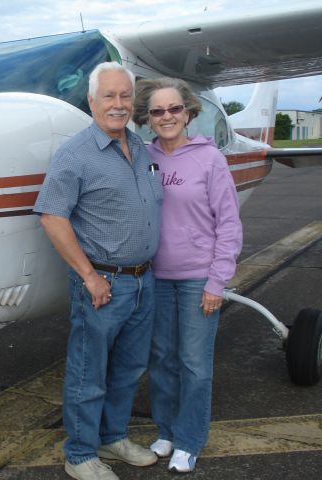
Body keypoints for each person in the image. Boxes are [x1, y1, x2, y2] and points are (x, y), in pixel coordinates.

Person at [34, 62, 162, 480]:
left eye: (125, 96)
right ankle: (81, 453)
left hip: (143, 280)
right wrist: (89, 276)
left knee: (128, 369)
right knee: (89, 373)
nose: (119, 104)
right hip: (103, 284)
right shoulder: (75, 154)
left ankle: (112, 436)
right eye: (109, 96)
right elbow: (52, 215)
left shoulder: (140, 146)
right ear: (91, 101)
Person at [132, 77, 243, 473]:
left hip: (198, 277)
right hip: (156, 277)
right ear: (147, 117)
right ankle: (166, 431)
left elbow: (229, 224)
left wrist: (217, 281)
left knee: (195, 362)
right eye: (158, 111)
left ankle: (191, 439)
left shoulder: (209, 158)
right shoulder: (142, 156)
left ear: (188, 112)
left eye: (174, 109)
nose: (167, 117)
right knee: (162, 359)